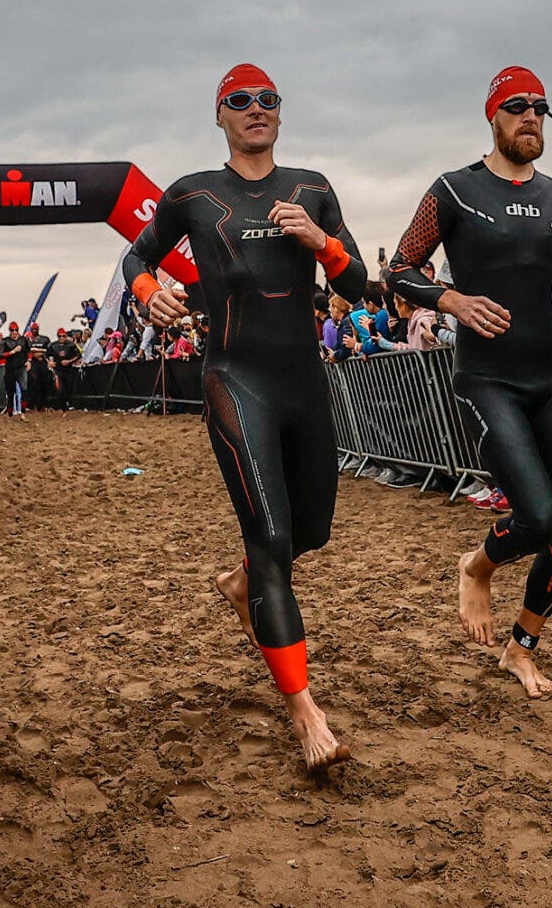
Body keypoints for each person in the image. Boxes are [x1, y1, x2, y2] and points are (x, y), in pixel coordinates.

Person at [122, 64, 370, 768]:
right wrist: (148, 287)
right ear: (221, 115)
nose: (255, 109)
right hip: (235, 379)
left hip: (303, 381)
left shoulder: (312, 188)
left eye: (267, 100)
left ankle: (244, 583)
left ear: (281, 115)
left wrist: (321, 244)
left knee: (311, 529)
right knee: (270, 537)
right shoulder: (193, 193)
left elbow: (356, 282)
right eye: (240, 101)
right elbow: (136, 253)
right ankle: (305, 713)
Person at [389, 66, 552, 697]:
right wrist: (451, 300)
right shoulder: (454, 190)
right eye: (518, 106)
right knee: (536, 515)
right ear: (493, 115)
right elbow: (400, 268)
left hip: (548, 376)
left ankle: (521, 644)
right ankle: (476, 567)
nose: (531, 116)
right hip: (487, 376)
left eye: (541, 108)